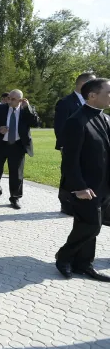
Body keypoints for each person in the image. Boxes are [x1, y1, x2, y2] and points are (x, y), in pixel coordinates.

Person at [56, 78, 110, 282]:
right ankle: (64, 257)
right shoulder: (76, 121)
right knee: (91, 225)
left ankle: (84, 264)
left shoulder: (106, 119)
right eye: (109, 92)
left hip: (104, 186)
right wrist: (79, 187)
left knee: (87, 226)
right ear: (92, 95)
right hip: (86, 187)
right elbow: (69, 160)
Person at [0, 89, 40, 209]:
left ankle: (15, 198)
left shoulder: (26, 110)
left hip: (17, 146)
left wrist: (28, 108)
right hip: (0, 145)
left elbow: (35, 123)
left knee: (16, 174)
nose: (9, 101)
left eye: (13, 99)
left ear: (21, 100)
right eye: (9, 98)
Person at [55, 73, 96, 216]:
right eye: (93, 82)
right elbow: (60, 127)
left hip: (89, 149)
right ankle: (66, 203)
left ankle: (82, 201)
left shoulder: (92, 103)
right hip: (71, 147)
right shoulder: (65, 102)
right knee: (68, 174)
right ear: (83, 84)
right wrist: (63, 147)